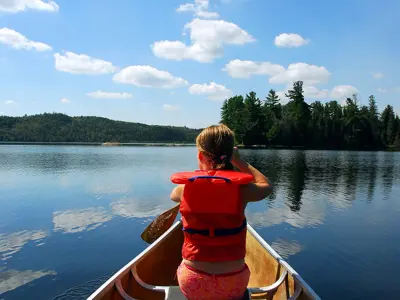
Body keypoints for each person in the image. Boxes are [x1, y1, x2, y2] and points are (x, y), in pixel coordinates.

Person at [170, 124, 272, 300]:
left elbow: (173, 196)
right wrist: (239, 161)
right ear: (230, 155)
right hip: (232, 282)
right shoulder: (242, 190)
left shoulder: (183, 190)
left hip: (194, 281)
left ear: (200, 155)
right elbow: (266, 186)